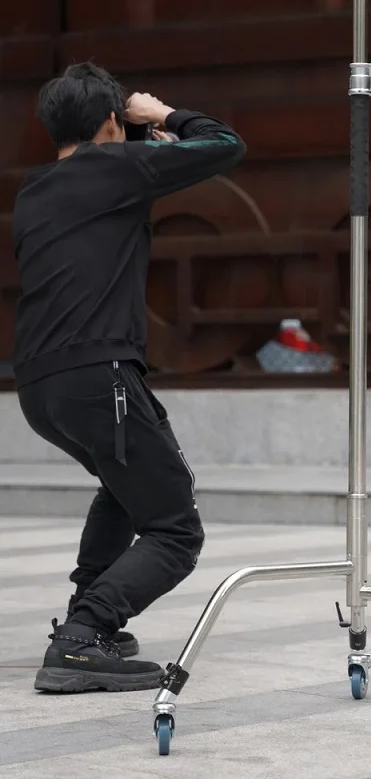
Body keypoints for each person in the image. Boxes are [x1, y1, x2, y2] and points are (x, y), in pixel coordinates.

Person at [12, 62, 247, 692]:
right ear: (114, 120)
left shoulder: (36, 190)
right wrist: (163, 114)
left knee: (122, 486)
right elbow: (225, 144)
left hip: (40, 389)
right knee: (175, 527)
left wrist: (140, 141)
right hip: (98, 375)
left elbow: (115, 183)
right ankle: (84, 636)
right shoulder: (118, 168)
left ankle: (91, 622)